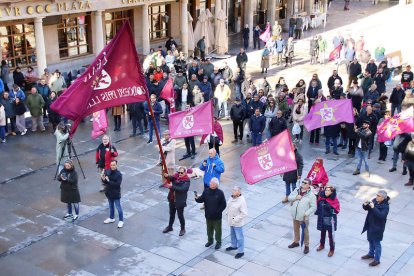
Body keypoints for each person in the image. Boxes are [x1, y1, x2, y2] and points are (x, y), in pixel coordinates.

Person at [195, 177, 227, 249]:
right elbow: (202, 199)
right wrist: (197, 198)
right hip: (208, 215)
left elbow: (223, 205)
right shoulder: (206, 191)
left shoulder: (220, 193)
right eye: (210, 182)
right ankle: (210, 241)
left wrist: (218, 211)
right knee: (209, 229)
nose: (210, 183)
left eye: (211, 183)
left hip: (217, 217)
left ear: (216, 185)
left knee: (218, 230)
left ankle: (218, 242)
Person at [287, 178, 317, 254]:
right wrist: (296, 197)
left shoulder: (312, 195)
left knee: (305, 231)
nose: (303, 183)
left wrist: (306, 214)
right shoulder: (297, 190)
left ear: (309, 185)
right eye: (303, 182)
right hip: (295, 215)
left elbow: (313, 207)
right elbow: (289, 198)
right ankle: (296, 242)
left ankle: (306, 245)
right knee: (296, 229)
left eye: (305, 183)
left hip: (303, 217)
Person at [361, 190, 390, 266]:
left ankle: (377, 260)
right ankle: (371, 254)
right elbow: (367, 208)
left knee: (377, 243)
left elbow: (381, 216)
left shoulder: (385, 207)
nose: (376, 197)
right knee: (370, 239)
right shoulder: (375, 201)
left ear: (383, 198)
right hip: (370, 224)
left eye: (378, 196)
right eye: (376, 195)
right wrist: (365, 204)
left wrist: (373, 207)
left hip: (378, 228)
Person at [162, 166, 190, 236]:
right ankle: (170, 226)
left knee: (180, 216)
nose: (179, 174)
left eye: (181, 173)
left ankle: (183, 229)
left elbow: (182, 189)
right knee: (171, 214)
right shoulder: (176, 176)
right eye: (179, 172)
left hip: (180, 201)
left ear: (185, 173)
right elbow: (171, 178)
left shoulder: (187, 180)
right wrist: (167, 176)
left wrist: (172, 186)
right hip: (172, 198)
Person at [316, 186, 340, 257]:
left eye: (328, 190)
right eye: (326, 190)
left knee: (331, 235)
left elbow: (336, 211)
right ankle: (322, 244)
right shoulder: (322, 197)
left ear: (332, 192)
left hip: (330, 220)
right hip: (322, 218)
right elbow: (318, 204)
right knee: (322, 233)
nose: (326, 191)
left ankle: (332, 249)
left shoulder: (334, 200)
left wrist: (330, 208)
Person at [226, 186, 248, 259]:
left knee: (239, 237)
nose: (233, 192)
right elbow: (229, 206)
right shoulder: (232, 197)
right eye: (233, 190)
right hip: (231, 220)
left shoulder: (242, 201)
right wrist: (227, 213)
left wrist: (235, 219)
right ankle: (233, 246)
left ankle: (241, 251)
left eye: (235, 191)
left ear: (239, 192)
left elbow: (244, 213)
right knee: (232, 234)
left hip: (237, 222)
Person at [102, 160, 124, 228]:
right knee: (111, 206)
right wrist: (103, 179)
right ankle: (111, 218)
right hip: (109, 192)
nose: (112, 166)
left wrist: (109, 181)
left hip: (116, 193)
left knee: (118, 207)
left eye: (114, 165)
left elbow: (117, 184)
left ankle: (121, 220)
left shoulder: (119, 174)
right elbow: (106, 182)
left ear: (116, 165)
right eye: (111, 165)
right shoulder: (108, 171)